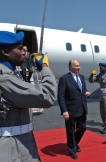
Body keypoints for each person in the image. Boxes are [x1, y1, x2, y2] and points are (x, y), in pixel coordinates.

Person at [0, 31, 57, 162]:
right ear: (5, 52)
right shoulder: (4, 79)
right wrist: (45, 67)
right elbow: (47, 96)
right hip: (12, 148)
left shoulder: (11, 74)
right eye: (20, 48)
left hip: (20, 142)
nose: (24, 52)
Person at [58, 59, 90, 160]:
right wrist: (64, 111)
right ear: (71, 67)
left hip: (82, 107)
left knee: (82, 128)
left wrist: (86, 93)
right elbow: (61, 96)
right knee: (70, 130)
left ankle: (74, 143)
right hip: (70, 109)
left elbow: (82, 90)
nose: (79, 67)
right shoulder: (64, 78)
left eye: (79, 65)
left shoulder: (81, 77)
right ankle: (72, 149)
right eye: (76, 66)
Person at [88, 62, 106, 134]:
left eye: (102, 67)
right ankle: (105, 123)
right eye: (100, 67)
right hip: (101, 93)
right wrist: (92, 74)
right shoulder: (99, 75)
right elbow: (91, 81)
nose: (100, 68)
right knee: (102, 110)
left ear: (105, 68)